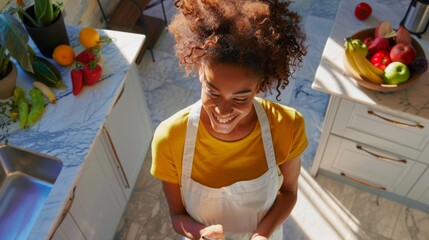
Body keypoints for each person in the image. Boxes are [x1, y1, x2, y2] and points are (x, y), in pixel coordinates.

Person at [151, 0, 308, 239]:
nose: (223, 111)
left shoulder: (287, 125)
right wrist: (201, 232)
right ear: (200, 72)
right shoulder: (170, 137)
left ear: (259, 87)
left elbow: (289, 192)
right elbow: (177, 216)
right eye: (212, 92)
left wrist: (262, 234)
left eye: (240, 98)